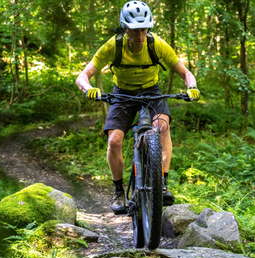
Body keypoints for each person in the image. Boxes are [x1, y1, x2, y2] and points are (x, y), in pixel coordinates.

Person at [76, 1, 200, 215]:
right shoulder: (113, 46)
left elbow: (186, 74)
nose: (140, 35)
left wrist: (192, 87)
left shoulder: (157, 44)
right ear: (126, 29)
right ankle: (118, 191)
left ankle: (162, 183)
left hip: (152, 92)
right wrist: (89, 89)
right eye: (135, 31)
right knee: (114, 141)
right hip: (122, 93)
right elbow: (82, 76)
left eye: (144, 29)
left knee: (161, 127)